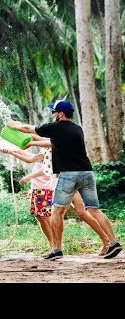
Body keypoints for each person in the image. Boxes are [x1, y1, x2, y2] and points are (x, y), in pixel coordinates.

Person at [7, 100, 122, 260]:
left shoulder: (55, 128)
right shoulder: (77, 129)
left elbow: (28, 128)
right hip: (87, 173)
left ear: (60, 114)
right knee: (93, 209)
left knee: (57, 212)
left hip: (69, 175)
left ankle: (56, 249)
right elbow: (47, 141)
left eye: (54, 112)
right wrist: (32, 141)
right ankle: (114, 242)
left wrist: (12, 124)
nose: (53, 114)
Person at [1, 137, 110, 255]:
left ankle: (56, 247)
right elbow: (31, 158)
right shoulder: (48, 149)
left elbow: (47, 168)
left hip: (60, 183)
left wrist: (29, 176)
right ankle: (106, 241)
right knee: (80, 212)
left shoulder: (53, 147)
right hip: (68, 180)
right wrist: (12, 151)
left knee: (59, 215)